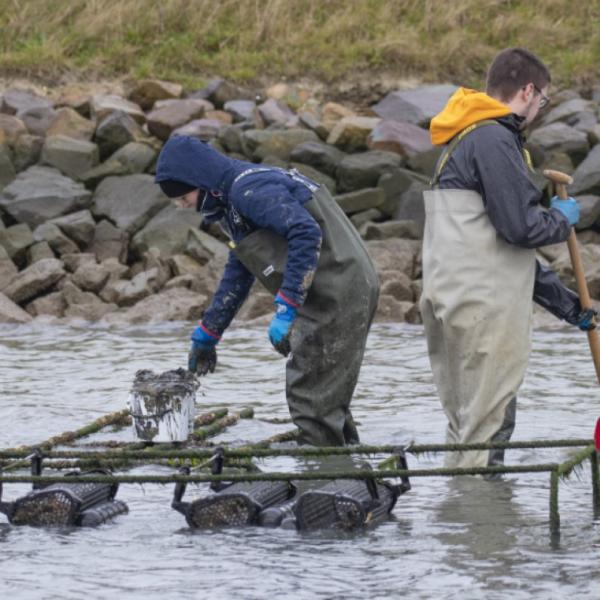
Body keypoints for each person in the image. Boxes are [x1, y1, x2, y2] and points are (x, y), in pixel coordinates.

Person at [420, 47, 597, 469]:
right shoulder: (493, 138)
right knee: (487, 435)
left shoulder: (464, 136)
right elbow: (520, 229)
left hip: (455, 301)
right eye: (544, 100)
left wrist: (570, 306)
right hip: (483, 310)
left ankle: (463, 523)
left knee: (467, 433)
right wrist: (559, 219)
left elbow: (498, 253)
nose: (540, 108)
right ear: (528, 91)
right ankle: (486, 528)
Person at [155, 135, 379, 447]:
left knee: (309, 391)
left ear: (199, 180)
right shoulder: (231, 202)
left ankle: (321, 482)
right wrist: (209, 332)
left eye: (183, 197)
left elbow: (305, 231)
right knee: (324, 389)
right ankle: (347, 462)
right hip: (330, 290)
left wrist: (286, 306)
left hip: (340, 288)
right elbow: (239, 270)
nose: (182, 206)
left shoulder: (250, 190)